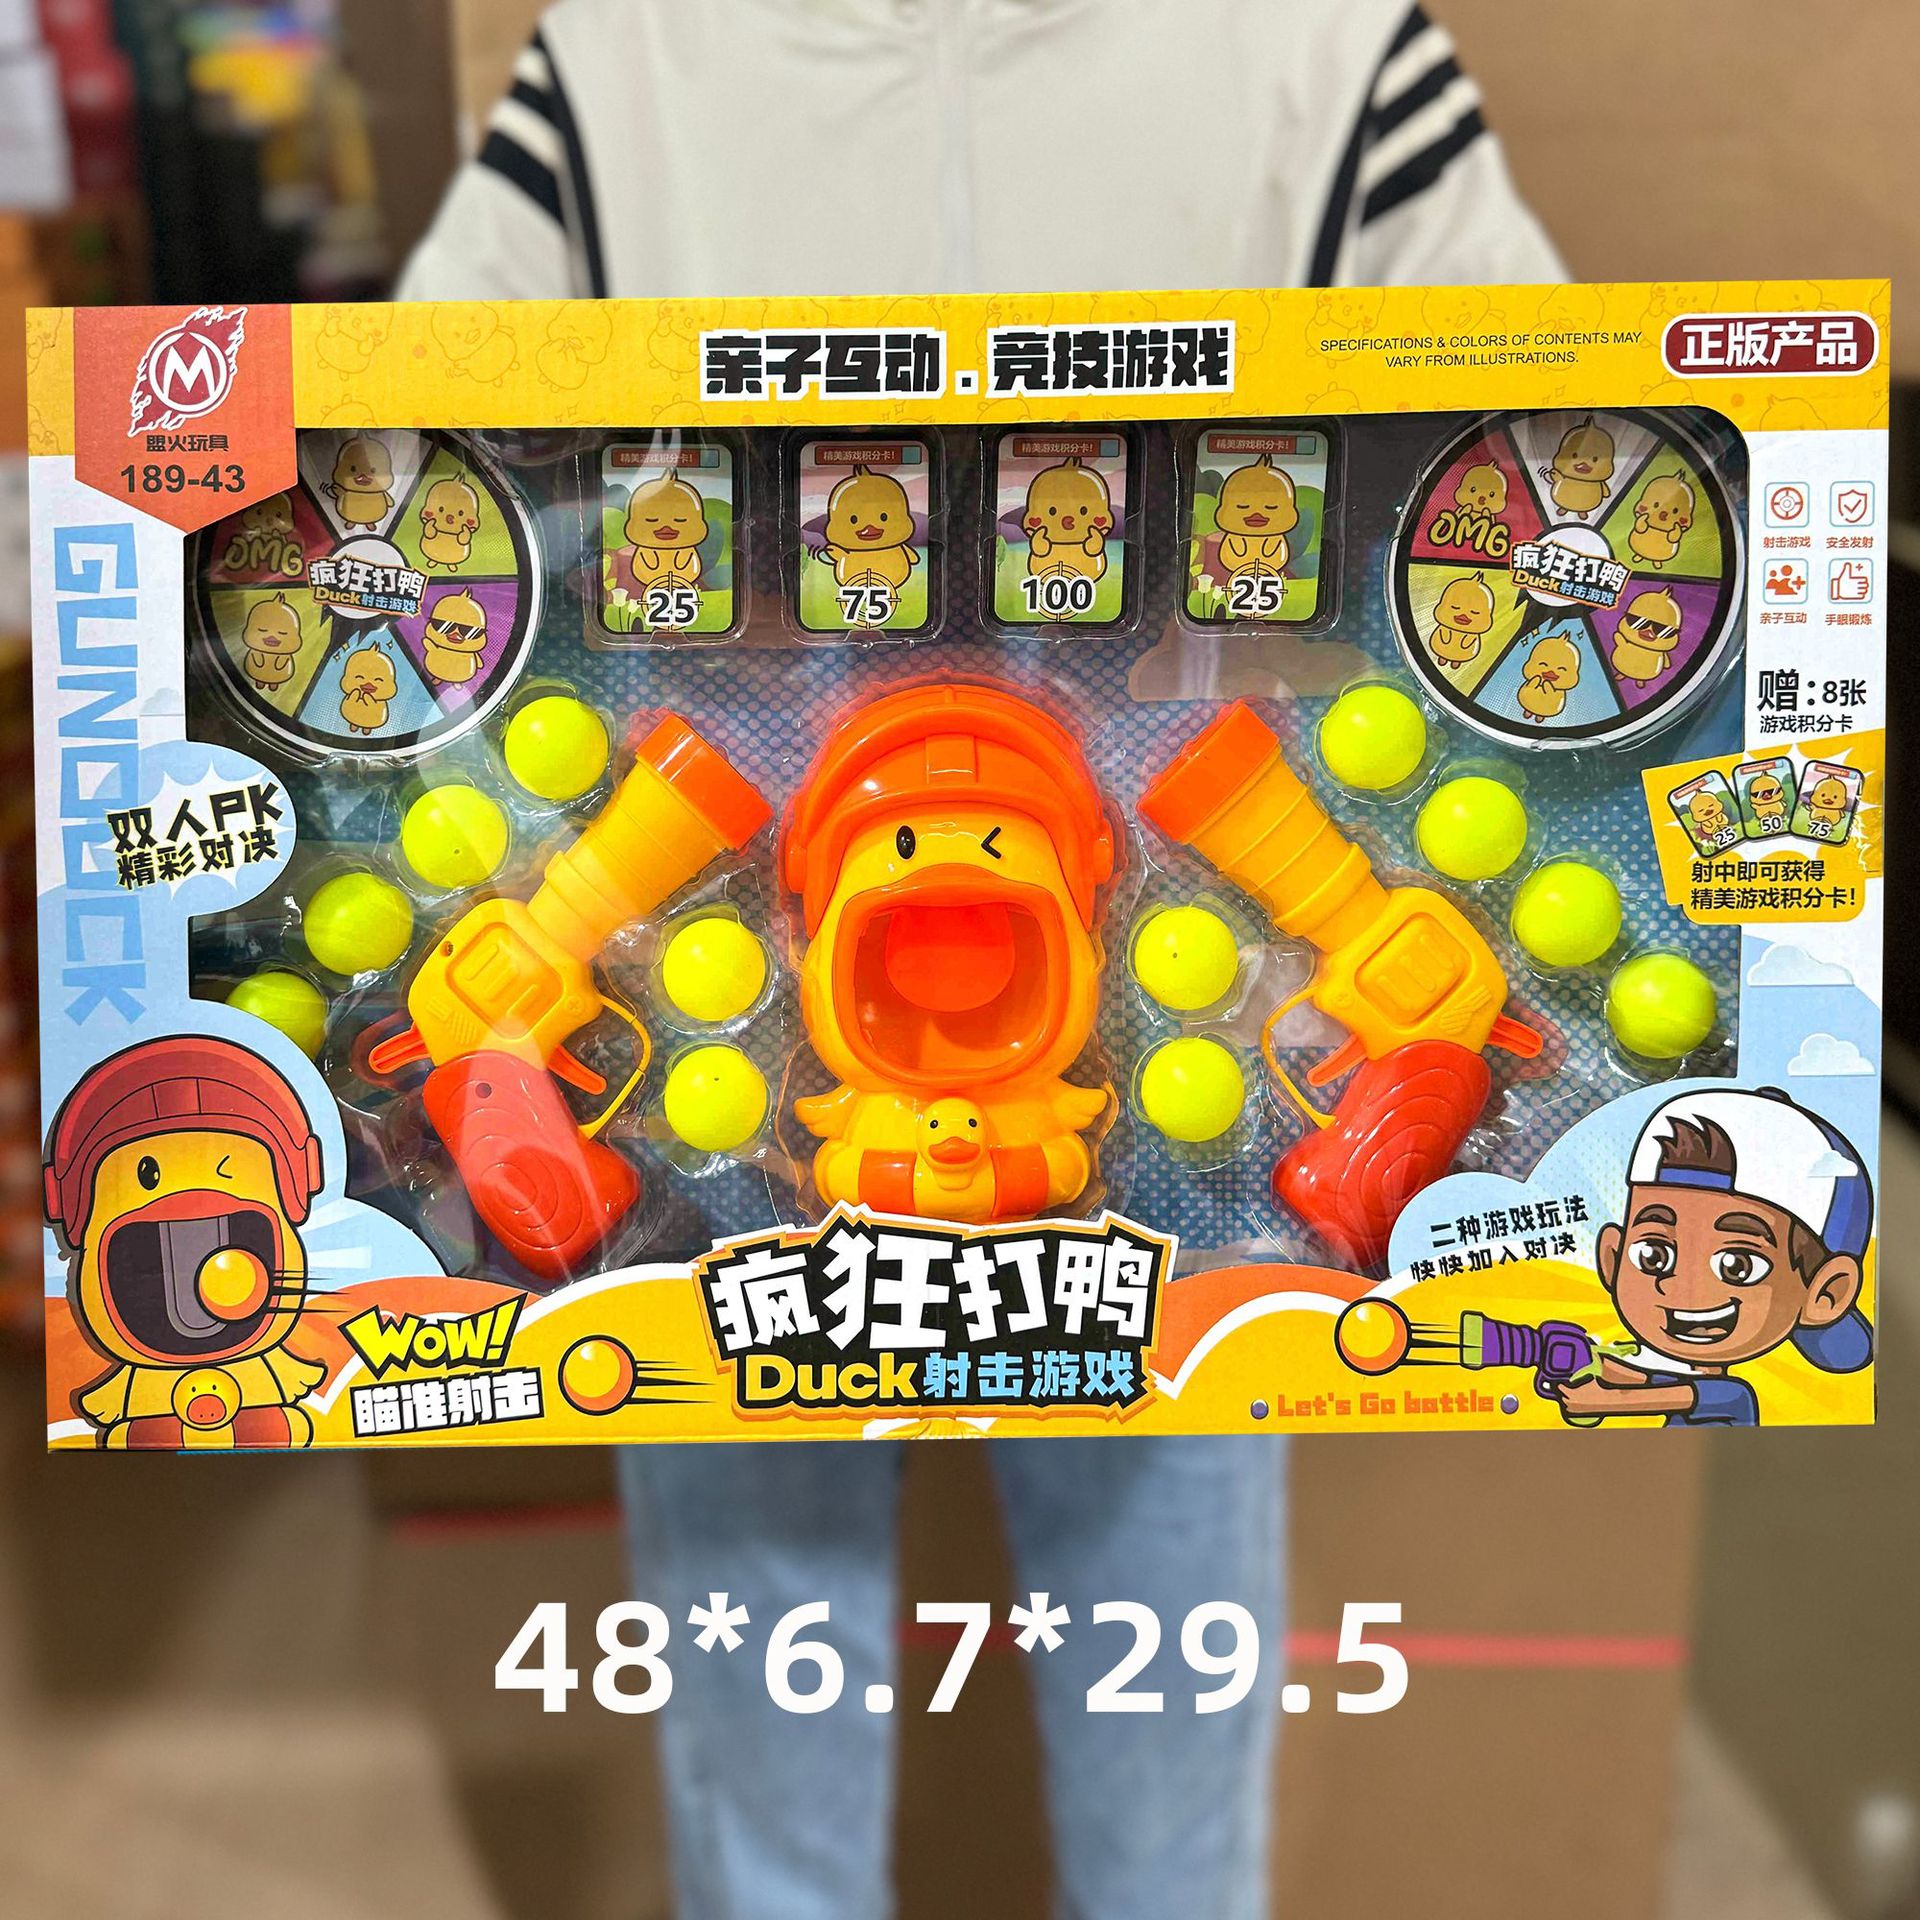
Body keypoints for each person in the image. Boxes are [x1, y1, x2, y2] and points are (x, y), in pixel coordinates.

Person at [400, 6, 1563, 1915]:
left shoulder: (1325, 46)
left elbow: (1544, 439)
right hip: (752, 1017)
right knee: (766, 1709)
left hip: (1165, 1027)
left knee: (1169, 1730)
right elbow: (416, 452)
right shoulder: (627, 53)